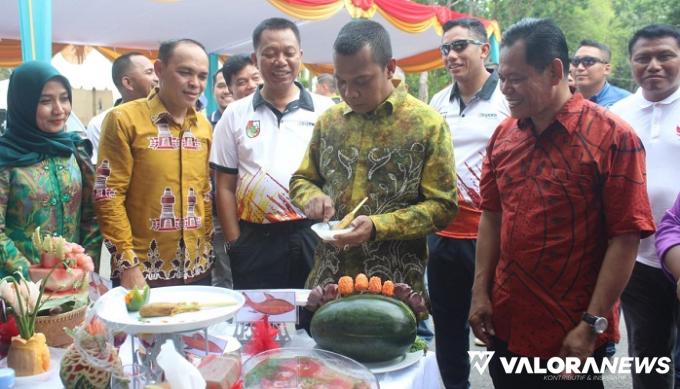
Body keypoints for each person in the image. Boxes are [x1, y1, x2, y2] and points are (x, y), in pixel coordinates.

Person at [469, 18, 655, 388]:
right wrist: (479, 293)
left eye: (516, 79)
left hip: (572, 332)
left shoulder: (613, 137)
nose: (504, 89)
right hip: (507, 321)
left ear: (555, 71)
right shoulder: (503, 136)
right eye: (501, 77)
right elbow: (492, 216)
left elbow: (626, 238)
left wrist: (591, 324)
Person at [289, 19, 457, 295]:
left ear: (390, 68)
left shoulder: (427, 124)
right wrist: (312, 198)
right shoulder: (329, 121)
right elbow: (301, 180)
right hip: (329, 281)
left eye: (361, 81)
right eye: (340, 82)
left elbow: (443, 207)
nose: (349, 93)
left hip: (394, 286)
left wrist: (377, 226)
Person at [210, 18, 334, 289]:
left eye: (288, 53)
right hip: (254, 239)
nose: (280, 61)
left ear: (300, 56)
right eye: (270, 53)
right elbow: (225, 186)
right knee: (260, 324)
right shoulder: (234, 113)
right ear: (256, 58)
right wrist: (235, 243)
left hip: (312, 233)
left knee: (315, 320)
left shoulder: (327, 111)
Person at [427, 18, 509, 389]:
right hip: (443, 235)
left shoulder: (508, 98)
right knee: (447, 327)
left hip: (493, 236)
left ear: (484, 50)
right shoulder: (437, 102)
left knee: (498, 326)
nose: (452, 55)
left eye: (461, 46)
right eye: (446, 49)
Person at [95, 39, 213, 289]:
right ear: (159, 70)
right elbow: (108, 194)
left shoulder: (204, 126)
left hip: (198, 269)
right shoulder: (124, 119)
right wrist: (127, 265)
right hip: (142, 272)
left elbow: (204, 193)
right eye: (185, 72)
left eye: (202, 76)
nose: (195, 83)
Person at [610, 24, 680, 389]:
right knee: (649, 355)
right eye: (643, 58)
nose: (654, 65)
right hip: (636, 258)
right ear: (631, 63)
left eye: (665, 55)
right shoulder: (616, 115)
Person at [0, 61, 101, 278]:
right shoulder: (5, 157)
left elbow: (92, 217)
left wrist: (85, 269)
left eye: (64, 98)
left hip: (74, 284)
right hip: (19, 291)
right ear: (23, 103)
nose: (59, 109)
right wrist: (31, 276)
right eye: (45, 101)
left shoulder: (75, 150)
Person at [86, 53, 158, 163]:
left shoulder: (170, 117)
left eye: (156, 72)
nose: (157, 78)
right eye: (149, 72)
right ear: (128, 83)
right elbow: (106, 171)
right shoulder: (100, 123)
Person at [573, 39, 630, 107]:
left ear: (606, 69)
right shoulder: (563, 100)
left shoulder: (625, 102)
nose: (580, 67)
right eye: (576, 61)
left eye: (589, 61)